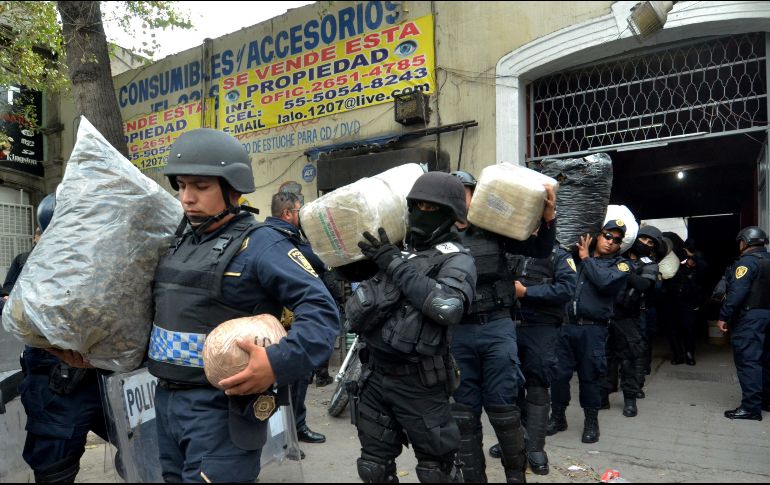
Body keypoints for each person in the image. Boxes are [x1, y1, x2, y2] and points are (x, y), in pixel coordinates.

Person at [145, 128, 339, 482]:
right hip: (167, 403)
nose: (187, 198)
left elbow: (322, 312)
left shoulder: (262, 244)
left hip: (221, 411)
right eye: (181, 186)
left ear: (233, 189)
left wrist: (277, 363)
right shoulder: (180, 242)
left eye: (200, 187)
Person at [345, 171, 477, 483]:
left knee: (437, 472)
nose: (421, 212)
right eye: (416, 205)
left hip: (419, 382)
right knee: (373, 468)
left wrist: (393, 263)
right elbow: (349, 276)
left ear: (450, 215)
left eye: (430, 208)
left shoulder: (458, 259)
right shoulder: (395, 248)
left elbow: (447, 307)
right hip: (374, 376)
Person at [448, 170, 556, 483]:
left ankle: (515, 477)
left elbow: (540, 249)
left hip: (496, 327)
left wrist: (549, 217)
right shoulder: (436, 237)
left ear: (475, 195)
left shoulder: (494, 228)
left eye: (464, 191)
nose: (458, 199)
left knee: (504, 408)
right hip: (458, 333)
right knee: (463, 415)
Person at [17, 193, 113, 483]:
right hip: (58, 383)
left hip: (108, 377)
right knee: (55, 466)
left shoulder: (111, 263)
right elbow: (24, 321)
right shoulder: (39, 271)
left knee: (142, 447)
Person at [487, 240, 576, 476]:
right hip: (507, 326)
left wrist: (527, 292)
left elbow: (567, 289)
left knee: (537, 384)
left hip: (541, 328)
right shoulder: (510, 248)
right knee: (510, 386)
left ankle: (535, 448)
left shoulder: (559, 254)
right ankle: (513, 441)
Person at [547, 220, 630, 444]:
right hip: (565, 327)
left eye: (617, 240)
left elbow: (605, 283)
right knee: (558, 375)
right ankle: (558, 417)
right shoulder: (573, 258)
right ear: (598, 235)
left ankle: (591, 423)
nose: (611, 242)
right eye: (607, 236)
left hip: (593, 330)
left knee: (590, 376)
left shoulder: (621, 265)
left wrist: (586, 259)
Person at [264, 190, 329, 448]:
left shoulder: (283, 235)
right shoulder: (280, 238)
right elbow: (316, 260)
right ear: (288, 213)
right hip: (281, 324)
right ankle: (286, 438)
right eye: (299, 211)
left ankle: (296, 428)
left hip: (285, 322)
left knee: (298, 379)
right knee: (288, 381)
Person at [601, 225, 662, 418]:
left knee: (629, 359)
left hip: (629, 317)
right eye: (643, 239)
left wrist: (625, 272)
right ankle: (604, 395)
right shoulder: (615, 255)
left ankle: (630, 400)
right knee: (604, 357)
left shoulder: (648, 264)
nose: (645, 243)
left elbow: (644, 284)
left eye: (650, 242)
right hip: (606, 314)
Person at [717, 226, 770, 421]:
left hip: (750, 318)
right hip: (767, 315)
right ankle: (766, 401)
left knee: (749, 361)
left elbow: (737, 293)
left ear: (744, 242)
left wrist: (724, 316)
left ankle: (751, 408)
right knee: (766, 360)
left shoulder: (747, 262)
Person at [662, 241, 705, 366]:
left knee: (689, 329)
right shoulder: (677, 265)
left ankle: (689, 354)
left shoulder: (699, 269)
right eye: (690, 259)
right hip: (673, 302)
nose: (692, 261)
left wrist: (693, 255)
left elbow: (703, 266)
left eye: (694, 259)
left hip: (689, 303)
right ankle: (678, 355)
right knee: (672, 330)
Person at [1, 228, 41, 314]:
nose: (43, 236)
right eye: (40, 233)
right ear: (34, 238)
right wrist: (7, 295)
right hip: (21, 302)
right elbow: (9, 283)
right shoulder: (22, 258)